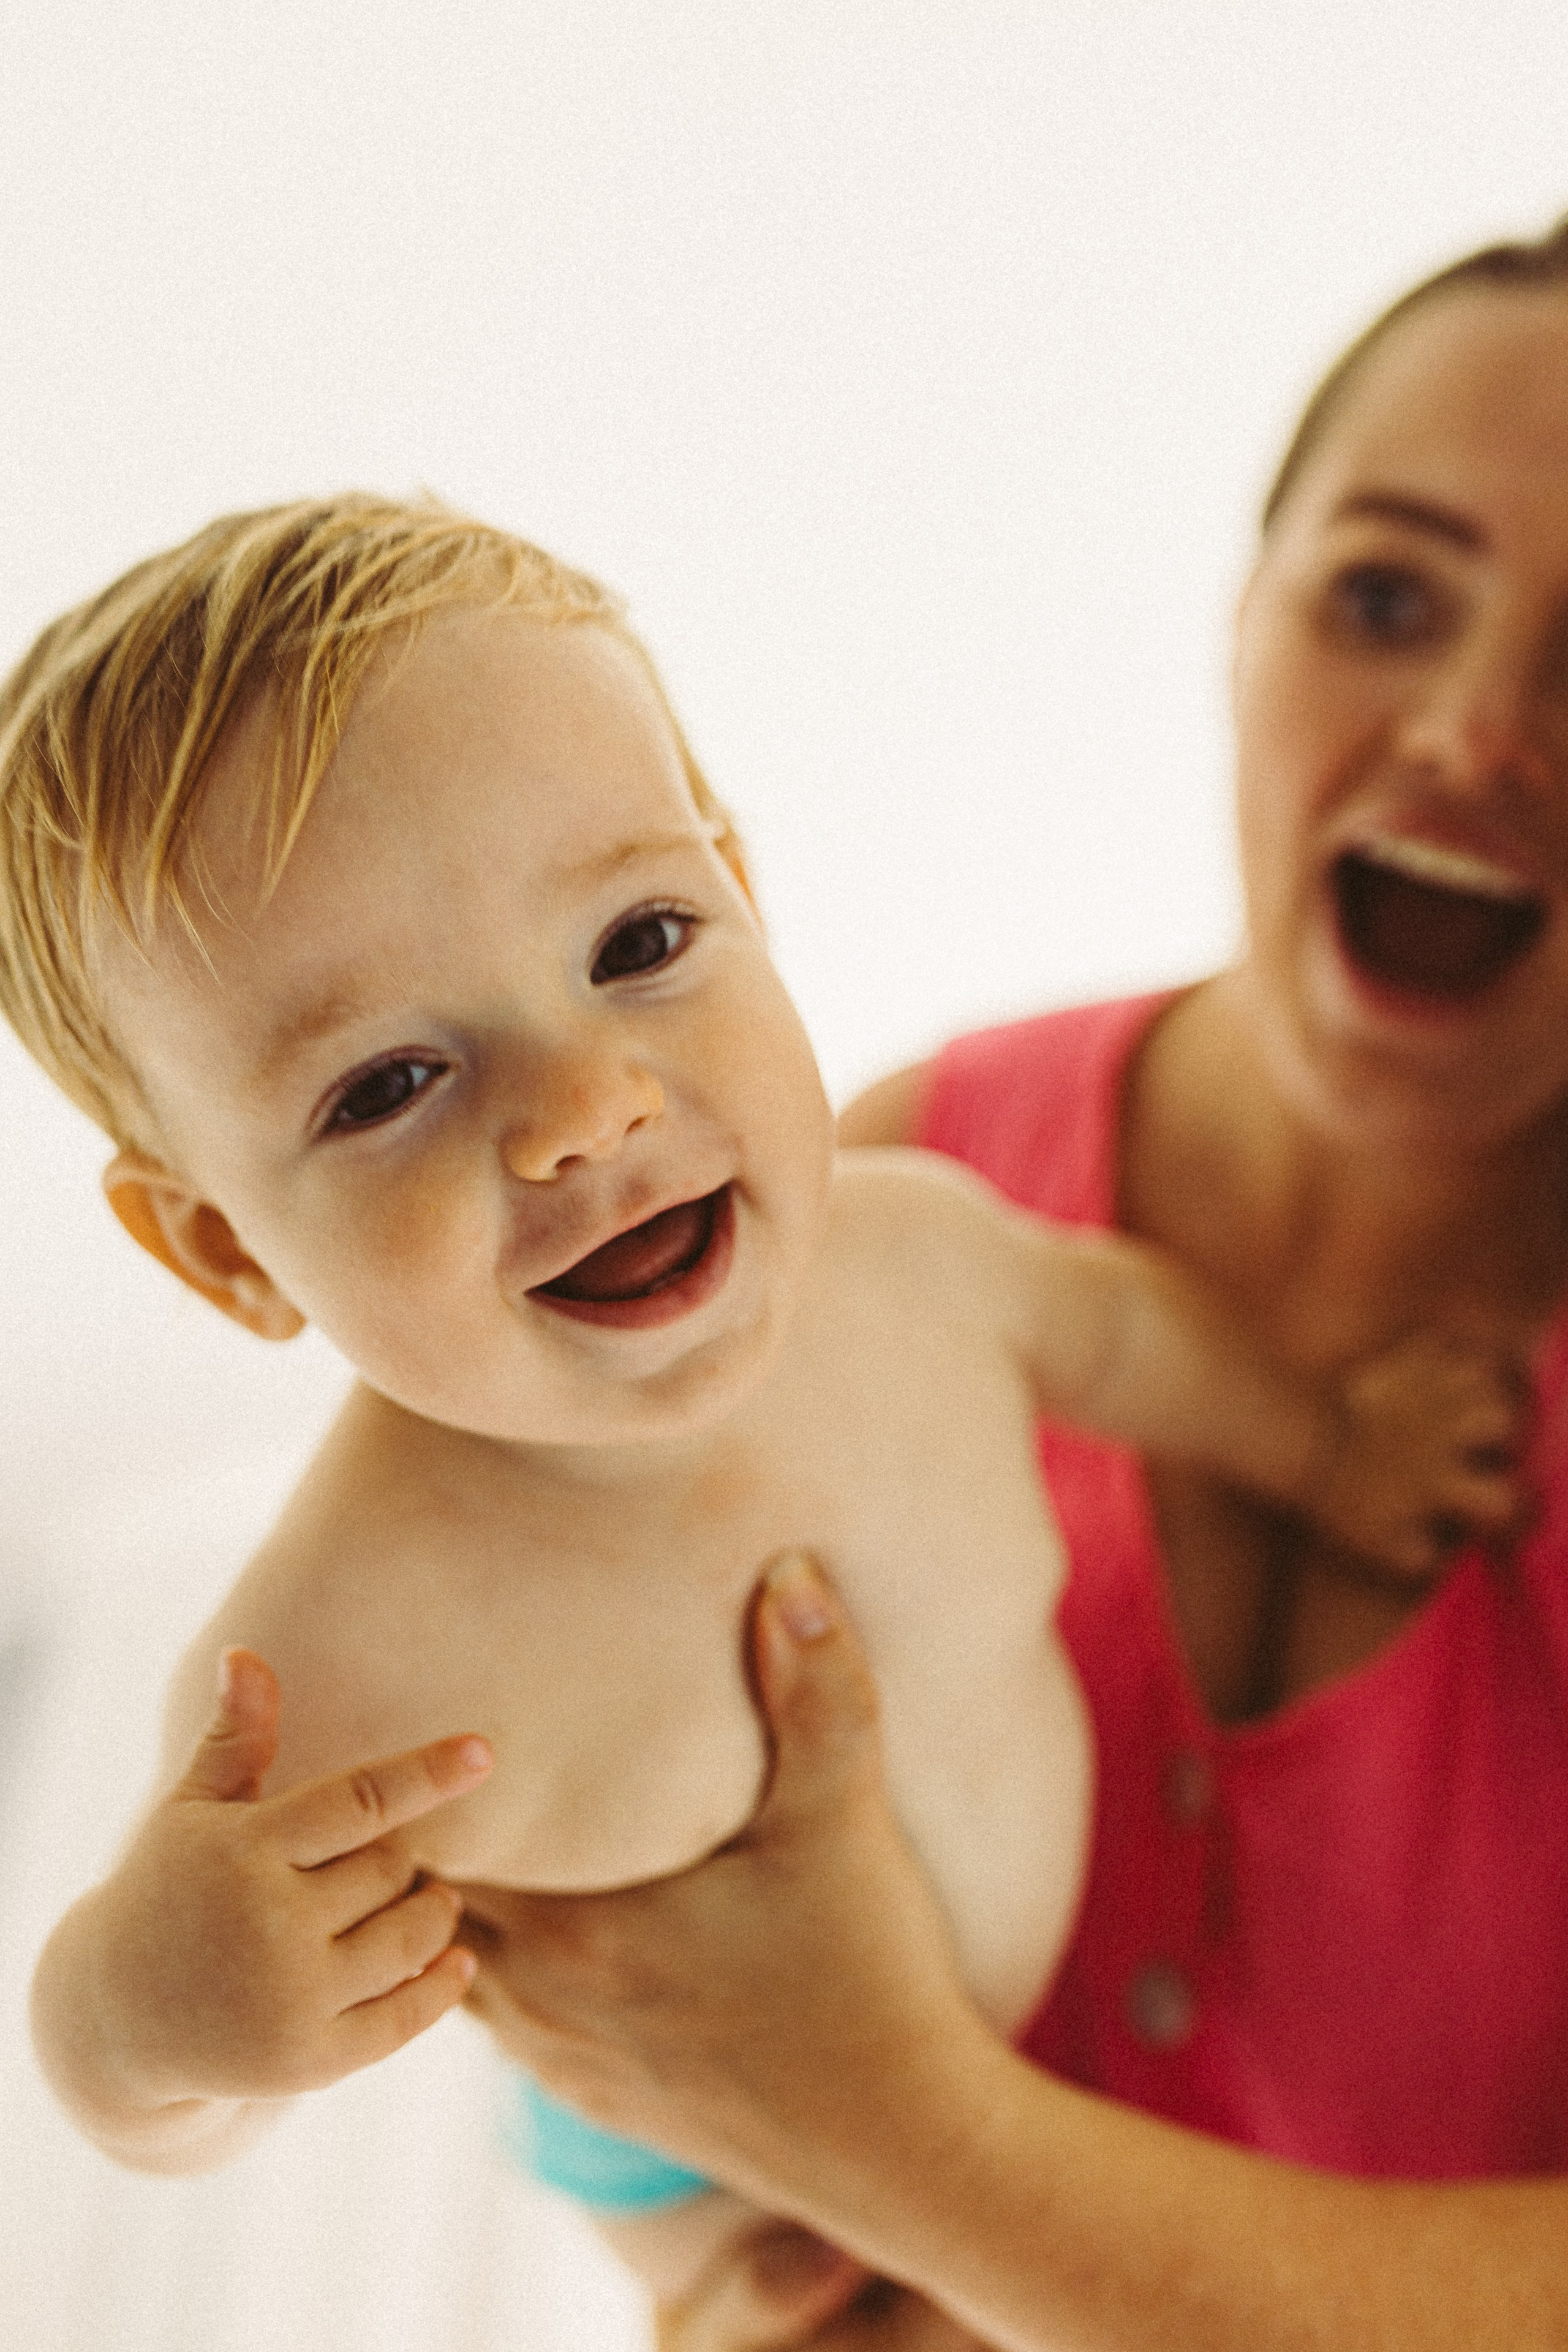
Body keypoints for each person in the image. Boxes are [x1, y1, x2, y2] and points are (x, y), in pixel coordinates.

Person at [4, 500, 1512, 2313]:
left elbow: (1117, 1332)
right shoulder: (328, 1664)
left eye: (639, 940)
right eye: (389, 1083)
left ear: (741, 885)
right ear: (222, 1251)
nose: (588, 1109)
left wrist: (1323, 1446)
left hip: (1061, 2089)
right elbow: (158, 2109)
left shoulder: (919, 1259)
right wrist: (140, 2024)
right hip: (746, 2213)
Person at [439, 216, 1568, 2349]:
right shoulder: (900, 1184)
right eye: (1384, 598)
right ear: (1242, 622)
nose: (1473, 731)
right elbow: (614, 1970)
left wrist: (905, 2140)